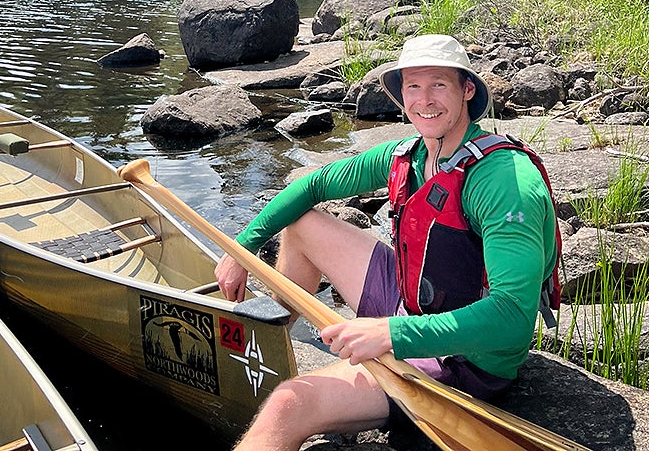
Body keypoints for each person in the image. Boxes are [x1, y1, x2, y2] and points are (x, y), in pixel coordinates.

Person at [214, 34, 560, 451]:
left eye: (438, 84)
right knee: (302, 225)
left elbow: (512, 318)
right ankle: (267, 347)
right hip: (410, 302)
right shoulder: (409, 153)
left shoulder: (505, 182)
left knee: (290, 403)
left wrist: (392, 334)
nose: (424, 100)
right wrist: (243, 248)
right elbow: (313, 185)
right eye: (413, 86)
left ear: (467, 90)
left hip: (465, 357)